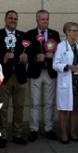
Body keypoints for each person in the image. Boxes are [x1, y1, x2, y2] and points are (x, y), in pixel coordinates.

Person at [0, 10, 29, 147]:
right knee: (3, 107)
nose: (13, 20)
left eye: (15, 18)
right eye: (10, 18)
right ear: (5, 19)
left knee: (19, 107)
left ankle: (18, 134)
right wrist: (3, 58)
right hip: (3, 77)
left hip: (20, 76)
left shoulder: (23, 36)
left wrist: (26, 57)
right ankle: (2, 135)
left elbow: (29, 52)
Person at [25, 9, 60, 142]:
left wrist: (53, 56)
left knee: (49, 102)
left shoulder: (54, 34)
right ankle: (34, 129)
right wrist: (35, 57)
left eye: (47, 19)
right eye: (42, 19)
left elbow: (60, 52)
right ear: (37, 20)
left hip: (50, 72)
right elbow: (25, 53)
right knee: (34, 103)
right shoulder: (30, 34)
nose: (45, 21)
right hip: (36, 73)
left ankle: (49, 129)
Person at [53, 22, 78, 144]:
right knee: (64, 108)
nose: (76, 33)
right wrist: (67, 67)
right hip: (67, 80)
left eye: (77, 30)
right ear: (67, 32)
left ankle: (73, 133)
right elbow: (55, 64)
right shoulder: (61, 46)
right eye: (73, 30)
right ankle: (63, 134)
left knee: (75, 108)